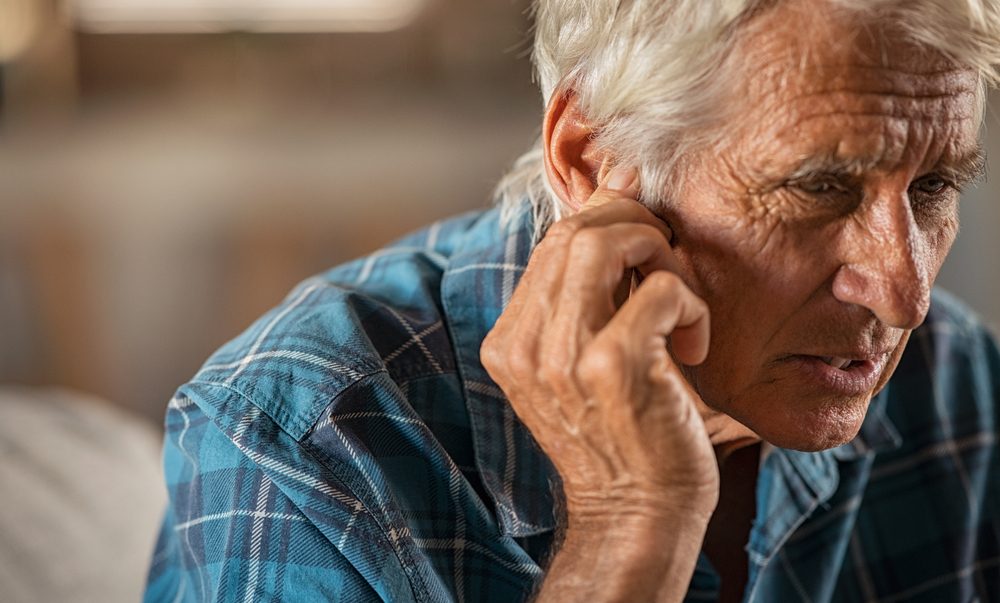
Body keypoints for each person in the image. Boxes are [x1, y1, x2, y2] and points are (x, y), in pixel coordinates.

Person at [145, 0, 1000, 601]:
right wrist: (633, 524)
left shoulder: (962, 386)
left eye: (933, 189)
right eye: (819, 187)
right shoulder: (305, 441)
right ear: (593, 162)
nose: (905, 293)